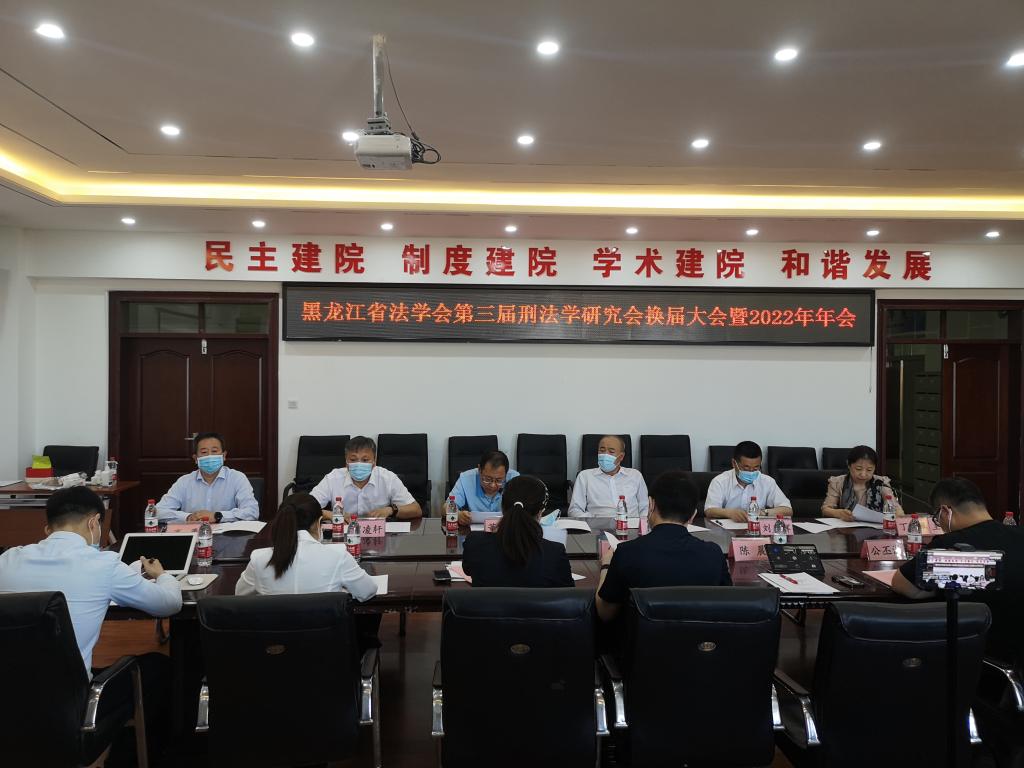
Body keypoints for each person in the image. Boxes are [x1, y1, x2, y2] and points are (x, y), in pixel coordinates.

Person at [0, 487, 182, 764]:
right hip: (70, 712)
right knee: (157, 666)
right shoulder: (104, 564)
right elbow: (169, 604)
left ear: (48, 528)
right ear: (94, 522)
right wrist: (163, 576)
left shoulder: (7, 560)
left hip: (9, 700)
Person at [892, 477, 1024, 660]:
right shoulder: (1019, 534)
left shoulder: (950, 546)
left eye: (937, 518)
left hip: (978, 653)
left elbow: (904, 585)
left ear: (945, 511)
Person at [596, 471, 732, 623]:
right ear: (693, 515)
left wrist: (606, 566)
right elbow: (728, 607)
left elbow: (605, 613)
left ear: (651, 504)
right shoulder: (713, 554)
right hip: (700, 638)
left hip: (643, 638)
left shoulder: (627, 552)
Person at [235, 493, 378, 600]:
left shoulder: (259, 559)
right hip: (324, 632)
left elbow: (240, 594)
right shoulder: (338, 556)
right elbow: (368, 591)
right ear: (318, 523)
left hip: (275, 632)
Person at [462, 475, 573, 588]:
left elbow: (468, 570)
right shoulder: (555, 553)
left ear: (502, 507)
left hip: (487, 601)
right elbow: (569, 593)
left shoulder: (474, 542)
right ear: (540, 513)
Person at [156, 431, 258, 523]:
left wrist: (217, 516)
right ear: (195, 458)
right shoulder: (184, 481)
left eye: (214, 451)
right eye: (204, 452)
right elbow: (158, 511)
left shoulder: (237, 478)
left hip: (227, 535)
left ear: (224, 455)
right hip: (195, 533)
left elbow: (252, 512)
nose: (210, 456)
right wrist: (188, 517)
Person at [310, 435, 422, 519]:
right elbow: (306, 507)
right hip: (342, 536)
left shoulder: (388, 478)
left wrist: (390, 510)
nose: (359, 464)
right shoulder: (333, 478)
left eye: (365, 460)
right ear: (346, 462)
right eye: (353, 459)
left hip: (378, 536)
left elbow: (416, 510)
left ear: (374, 462)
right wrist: (332, 514)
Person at [704, 441, 792, 521]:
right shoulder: (720, 481)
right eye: (746, 468)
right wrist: (729, 513)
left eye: (756, 468)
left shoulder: (767, 482)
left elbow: (787, 510)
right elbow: (709, 510)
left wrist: (762, 513)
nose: (751, 472)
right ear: (734, 463)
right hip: (726, 531)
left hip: (756, 530)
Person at [568, 434, 648, 519]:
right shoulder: (585, 477)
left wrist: (641, 524)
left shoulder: (635, 475)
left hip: (631, 524)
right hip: (597, 525)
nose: (605, 455)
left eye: (611, 452)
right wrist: (593, 520)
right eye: (602, 450)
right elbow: (574, 510)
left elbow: (645, 507)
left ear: (621, 457)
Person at [821, 445, 903, 521]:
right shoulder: (837, 482)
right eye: (858, 469)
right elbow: (826, 509)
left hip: (875, 528)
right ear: (849, 465)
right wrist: (839, 513)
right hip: (846, 528)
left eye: (869, 470)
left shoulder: (881, 483)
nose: (863, 474)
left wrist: (898, 514)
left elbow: (896, 509)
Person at [447, 450, 520, 525]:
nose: (492, 485)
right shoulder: (466, 478)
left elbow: (525, 509)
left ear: (506, 474)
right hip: (473, 531)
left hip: (506, 530)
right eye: (488, 479)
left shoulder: (515, 479)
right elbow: (446, 507)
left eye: (499, 480)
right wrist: (458, 514)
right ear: (479, 469)